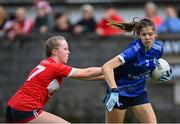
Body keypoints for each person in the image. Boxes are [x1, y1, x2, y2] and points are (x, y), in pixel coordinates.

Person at [5, 36, 103, 123]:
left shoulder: (46, 63)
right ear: (55, 51)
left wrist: (107, 76)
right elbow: (87, 73)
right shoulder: (55, 67)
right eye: (65, 49)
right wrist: (109, 68)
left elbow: (84, 76)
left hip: (13, 106)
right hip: (26, 108)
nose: (68, 52)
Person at [102, 18, 172, 123]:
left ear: (155, 34)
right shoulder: (133, 50)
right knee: (89, 74)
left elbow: (148, 67)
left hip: (138, 92)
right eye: (144, 35)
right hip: (120, 93)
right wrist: (114, 90)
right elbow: (106, 67)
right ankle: (69, 72)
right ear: (139, 35)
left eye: (150, 34)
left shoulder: (158, 49)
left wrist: (162, 74)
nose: (148, 37)